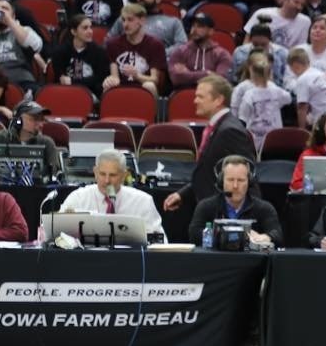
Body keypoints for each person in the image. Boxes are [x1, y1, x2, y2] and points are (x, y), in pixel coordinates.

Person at [163, 75, 257, 213]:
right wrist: (182, 194)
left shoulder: (230, 130)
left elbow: (247, 175)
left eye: (200, 97)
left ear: (218, 100)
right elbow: (207, 172)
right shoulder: (218, 127)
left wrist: (247, 214)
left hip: (226, 214)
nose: (195, 101)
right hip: (211, 209)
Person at [57, 148, 165, 238]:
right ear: (95, 172)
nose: (107, 180)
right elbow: (58, 234)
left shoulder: (143, 201)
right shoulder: (78, 198)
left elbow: (159, 240)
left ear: (124, 175)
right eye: (102, 174)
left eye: (113, 175)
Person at [187, 154, 282, 245]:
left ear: (249, 182)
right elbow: (194, 235)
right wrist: (224, 237)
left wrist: (266, 237)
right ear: (221, 181)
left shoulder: (264, 208)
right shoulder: (205, 207)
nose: (235, 186)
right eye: (230, 180)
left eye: (240, 180)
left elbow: (278, 235)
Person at [0, 100, 59, 172]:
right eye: (35, 119)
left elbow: (54, 173)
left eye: (42, 119)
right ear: (18, 120)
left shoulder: (47, 143)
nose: (40, 124)